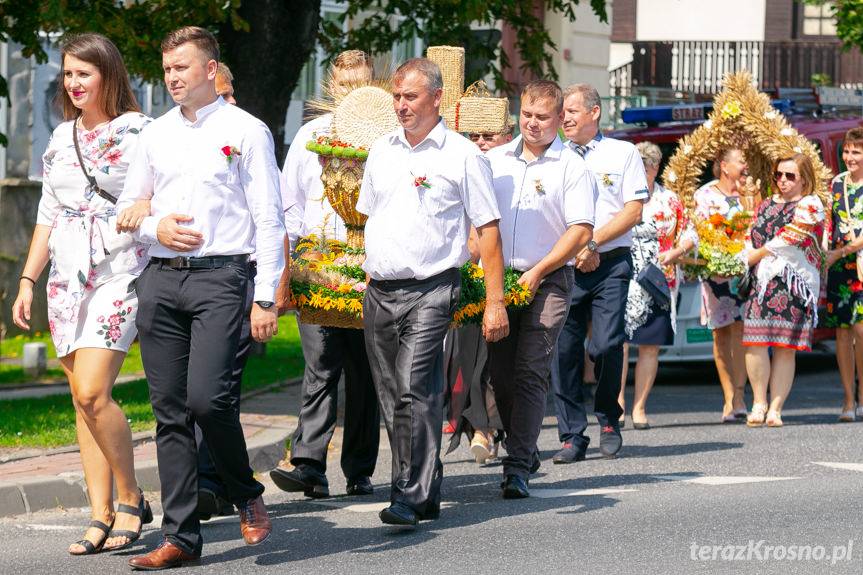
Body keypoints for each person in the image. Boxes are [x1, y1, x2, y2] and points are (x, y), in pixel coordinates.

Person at [117, 27, 284, 569]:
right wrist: (156, 229)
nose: (172, 78)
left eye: (182, 68)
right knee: (168, 412)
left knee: (208, 401)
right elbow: (129, 206)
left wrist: (265, 298)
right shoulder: (154, 134)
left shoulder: (247, 131)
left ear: (211, 70)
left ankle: (243, 489)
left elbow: (268, 218)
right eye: (167, 69)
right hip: (162, 279)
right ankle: (181, 537)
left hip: (222, 279)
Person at [11, 32, 152, 556]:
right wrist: (27, 279)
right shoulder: (59, 138)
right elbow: (47, 215)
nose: (73, 83)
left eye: (83, 74)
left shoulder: (140, 133)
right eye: (68, 74)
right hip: (66, 277)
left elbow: (160, 192)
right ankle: (101, 512)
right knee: (80, 401)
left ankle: (133, 497)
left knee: (94, 391)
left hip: (119, 271)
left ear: (108, 75)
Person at [357, 57, 508, 526]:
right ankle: (425, 486)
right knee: (391, 394)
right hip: (380, 289)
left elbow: (488, 229)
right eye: (397, 97)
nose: (401, 106)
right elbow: (370, 216)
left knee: (414, 387)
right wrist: (367, 275)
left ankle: (407, 494)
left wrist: (495, 300)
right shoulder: (381, 150)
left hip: (432, 287)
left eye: (411, 97)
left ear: (437, 98)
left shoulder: (463, 155)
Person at [269, 50, 380, 499]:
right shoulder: (312, 134)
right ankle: (310, 463)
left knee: (366, 373)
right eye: (343, 86)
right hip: (319, 263)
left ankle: (358, 468)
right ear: (332, 87)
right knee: (319, 366)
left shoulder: (388, 137)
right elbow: (288, 201)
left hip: (372, 266)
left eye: (361, 86)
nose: (350, 94)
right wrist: (290, 264)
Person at [486, 80, 595, 497]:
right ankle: (524, 445)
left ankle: (516, 466)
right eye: (526, 115)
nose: (532, 124)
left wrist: (540, 270)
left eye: (543, 117)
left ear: (559, 118)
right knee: (499, 373)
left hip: (548, 278)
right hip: (500, 279)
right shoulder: (494, 160)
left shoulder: (572, 166)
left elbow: (581, 229)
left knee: (531, 369)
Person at [552, 83, 647, 463]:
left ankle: (609, 417)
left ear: (595, 112)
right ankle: (572, 435)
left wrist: (590, 244)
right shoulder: (553, 156)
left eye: (572, 110)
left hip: (610, 263)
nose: (565, 118)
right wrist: (572, 251)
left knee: (606, 344)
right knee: (563, 351)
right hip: (563, 265)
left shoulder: (623, 153)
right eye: (562, 112)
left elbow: (632, 211)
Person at [444, 117, 515, 464]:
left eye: (489, 136)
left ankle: (496, 428)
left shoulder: (512, 171)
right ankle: (479, 427)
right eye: (474, 136)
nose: (481, 142)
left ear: (507, 136)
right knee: (469, 357)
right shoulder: (462, 165)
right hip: (467, 276)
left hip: (507, 275)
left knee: (497, 361)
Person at [742, 154, 825, 427]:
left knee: (785, 348)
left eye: (790, 176)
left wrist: (755, 255)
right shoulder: (765, 204)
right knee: (754, 342)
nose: (783, 181)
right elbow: (751, 233)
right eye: (779, 175)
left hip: (793, 284)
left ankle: (776, 408)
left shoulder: (811, 204)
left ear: (804, 178)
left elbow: (791, 237)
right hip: (763, 283)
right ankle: (758, 402)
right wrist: (743, 252)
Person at [618, 141, 692, 429]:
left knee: (649, 346)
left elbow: (689, 234)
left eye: (645, 169)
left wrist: (675, 252)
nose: (640, 174)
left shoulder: (670, 200)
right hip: (623, 275)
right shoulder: (620, 198)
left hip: (657, 280)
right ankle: (618, 403)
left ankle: (640, 407)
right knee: (619, 344)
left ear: (655, 169)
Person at [690, 149, 750, 422]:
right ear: (724, 166)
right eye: (740, 161)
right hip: (714, 272)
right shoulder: (704, 195)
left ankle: (739, 396)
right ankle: (728, 395)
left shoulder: (750, 194)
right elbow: (699, 230)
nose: (745, 165)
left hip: (743, 273)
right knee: (720, 334)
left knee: (741, 333)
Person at [824, 128, 863, 421]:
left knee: (861, 331)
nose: (849, 157)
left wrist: (842, 251)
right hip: (839, 262)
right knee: (841, 331)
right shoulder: (836, 184)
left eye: (856, 152)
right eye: (847, 152)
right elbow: (829, 223)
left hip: (858, 260)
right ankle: (848, 399)